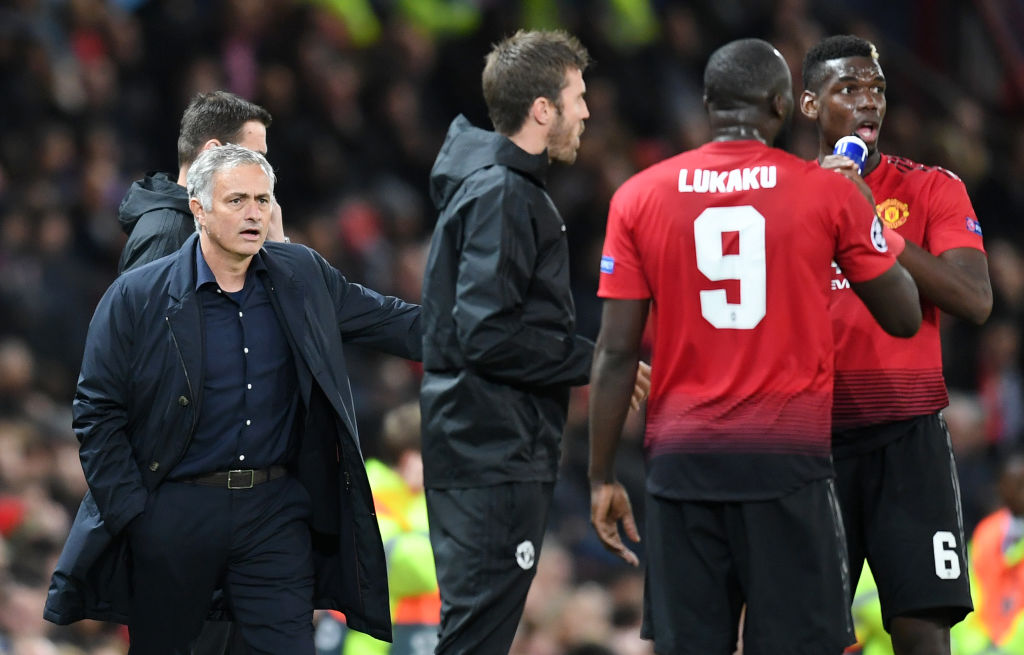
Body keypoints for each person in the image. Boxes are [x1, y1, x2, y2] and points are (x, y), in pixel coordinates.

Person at [588, 38, 922, 655]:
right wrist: (867, 213)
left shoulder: (637, 196)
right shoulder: (826, 192)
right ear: (781, 105)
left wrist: (601, 476)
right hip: (787, 470)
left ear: (708, 104)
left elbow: (614, 353)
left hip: (681, 470)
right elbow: (903, 316)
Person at [43, 144, 423, 654]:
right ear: (198, 209)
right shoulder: (138, 294)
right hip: (175, 511)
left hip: (274, 513)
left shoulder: (301, 275)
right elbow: (96, 411)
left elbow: (394, 321)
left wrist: (489, 333)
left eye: (263, 200)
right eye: (237, 200)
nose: (254, 213)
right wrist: (135, 515)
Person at [419, 29, 648, 655]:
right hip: (491, 451)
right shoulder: (502, 193)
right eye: (578, 97)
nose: (587, 112)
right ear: (542, 109)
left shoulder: (500, 188)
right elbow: (487, 333)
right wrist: (595, 360)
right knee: (476, 640)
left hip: (488, 446)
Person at [800, 34, 993, 655]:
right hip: (811, 443)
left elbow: (975, 299)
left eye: (877, 89)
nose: (868, 102)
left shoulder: (933, 188)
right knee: (808, 632)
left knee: (920, 630)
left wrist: (873, 227)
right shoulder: (784, 199)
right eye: (848, 89)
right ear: (809, 104)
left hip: (909, 441)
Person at [315, 401, 441, 655]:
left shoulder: (426, 498)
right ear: (410, 458)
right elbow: (419, 569)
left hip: (415, 635)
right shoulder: (369, 490)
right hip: (360, 643)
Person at [118, 90, 283, 274]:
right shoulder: (168, 234)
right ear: (212, 153)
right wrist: (279, 251)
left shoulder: (216, 226)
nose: (262, 169)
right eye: (253, 157)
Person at [950, 451, 1024, 654]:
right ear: (1001, 487)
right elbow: (970, 590)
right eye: (1018, 484)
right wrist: (978, 645)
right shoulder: (987, 532)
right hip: (981, 645)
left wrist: (1006, 648)